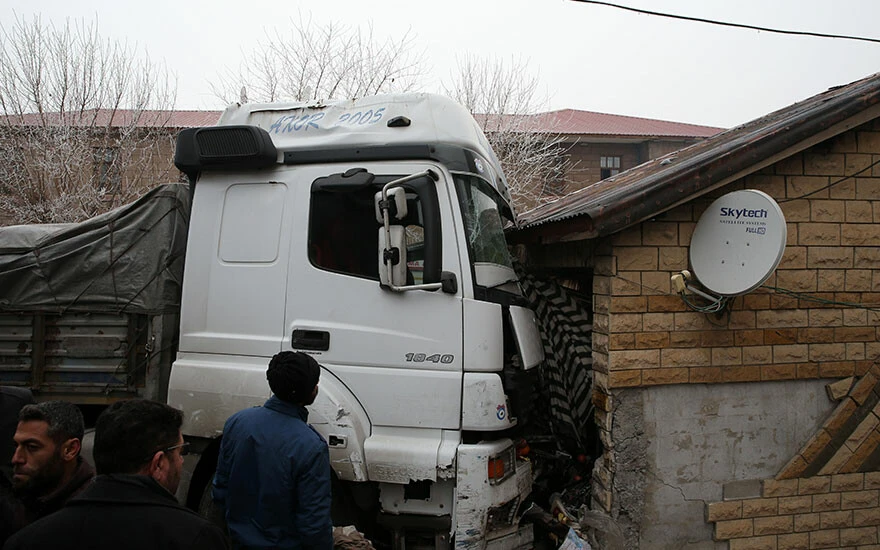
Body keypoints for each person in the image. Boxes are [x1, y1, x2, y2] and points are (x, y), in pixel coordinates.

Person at [3, 399, 229, 550]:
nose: (181, 461)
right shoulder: (196, 537)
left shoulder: (27, 540)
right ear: (158, 463)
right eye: (181, 452)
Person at [213, 351, 332, 549]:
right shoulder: (311, 446)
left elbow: (220, 490)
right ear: (311, 391)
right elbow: (314, 525)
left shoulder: (237, 422)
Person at [1, 401, 94, 545]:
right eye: (16, 446)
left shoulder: (91, 513)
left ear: (70, 450)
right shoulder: (16, 499)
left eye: (32, 447)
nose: (16, 459)